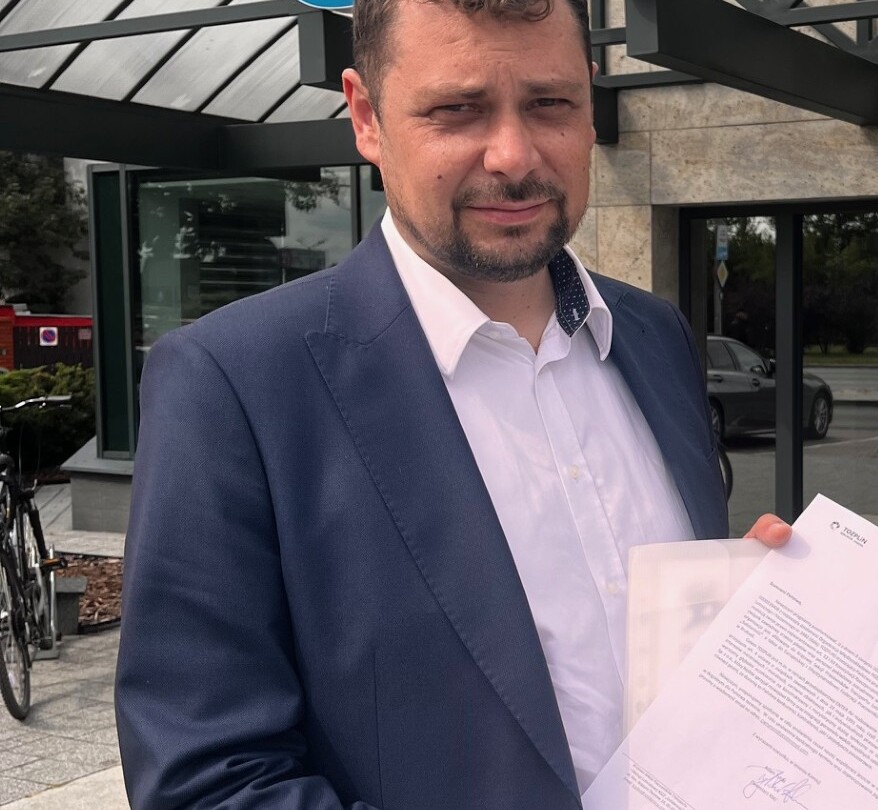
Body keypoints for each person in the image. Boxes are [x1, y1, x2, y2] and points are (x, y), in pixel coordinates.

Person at [114, 1, 790, 807]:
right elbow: (207, 784)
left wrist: (746, 618)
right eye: (457, 110)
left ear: (589, 104)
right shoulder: (233, 383)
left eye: (550, 103)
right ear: (367, 117)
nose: (513, 156)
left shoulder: (655, 336)